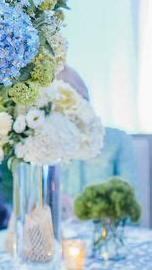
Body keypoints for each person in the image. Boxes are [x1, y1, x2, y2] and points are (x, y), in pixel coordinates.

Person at [59, 66, 138, 198]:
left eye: (77, 96)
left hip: (100, 218)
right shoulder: (40, 144)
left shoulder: (118, 140)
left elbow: (131, 206)